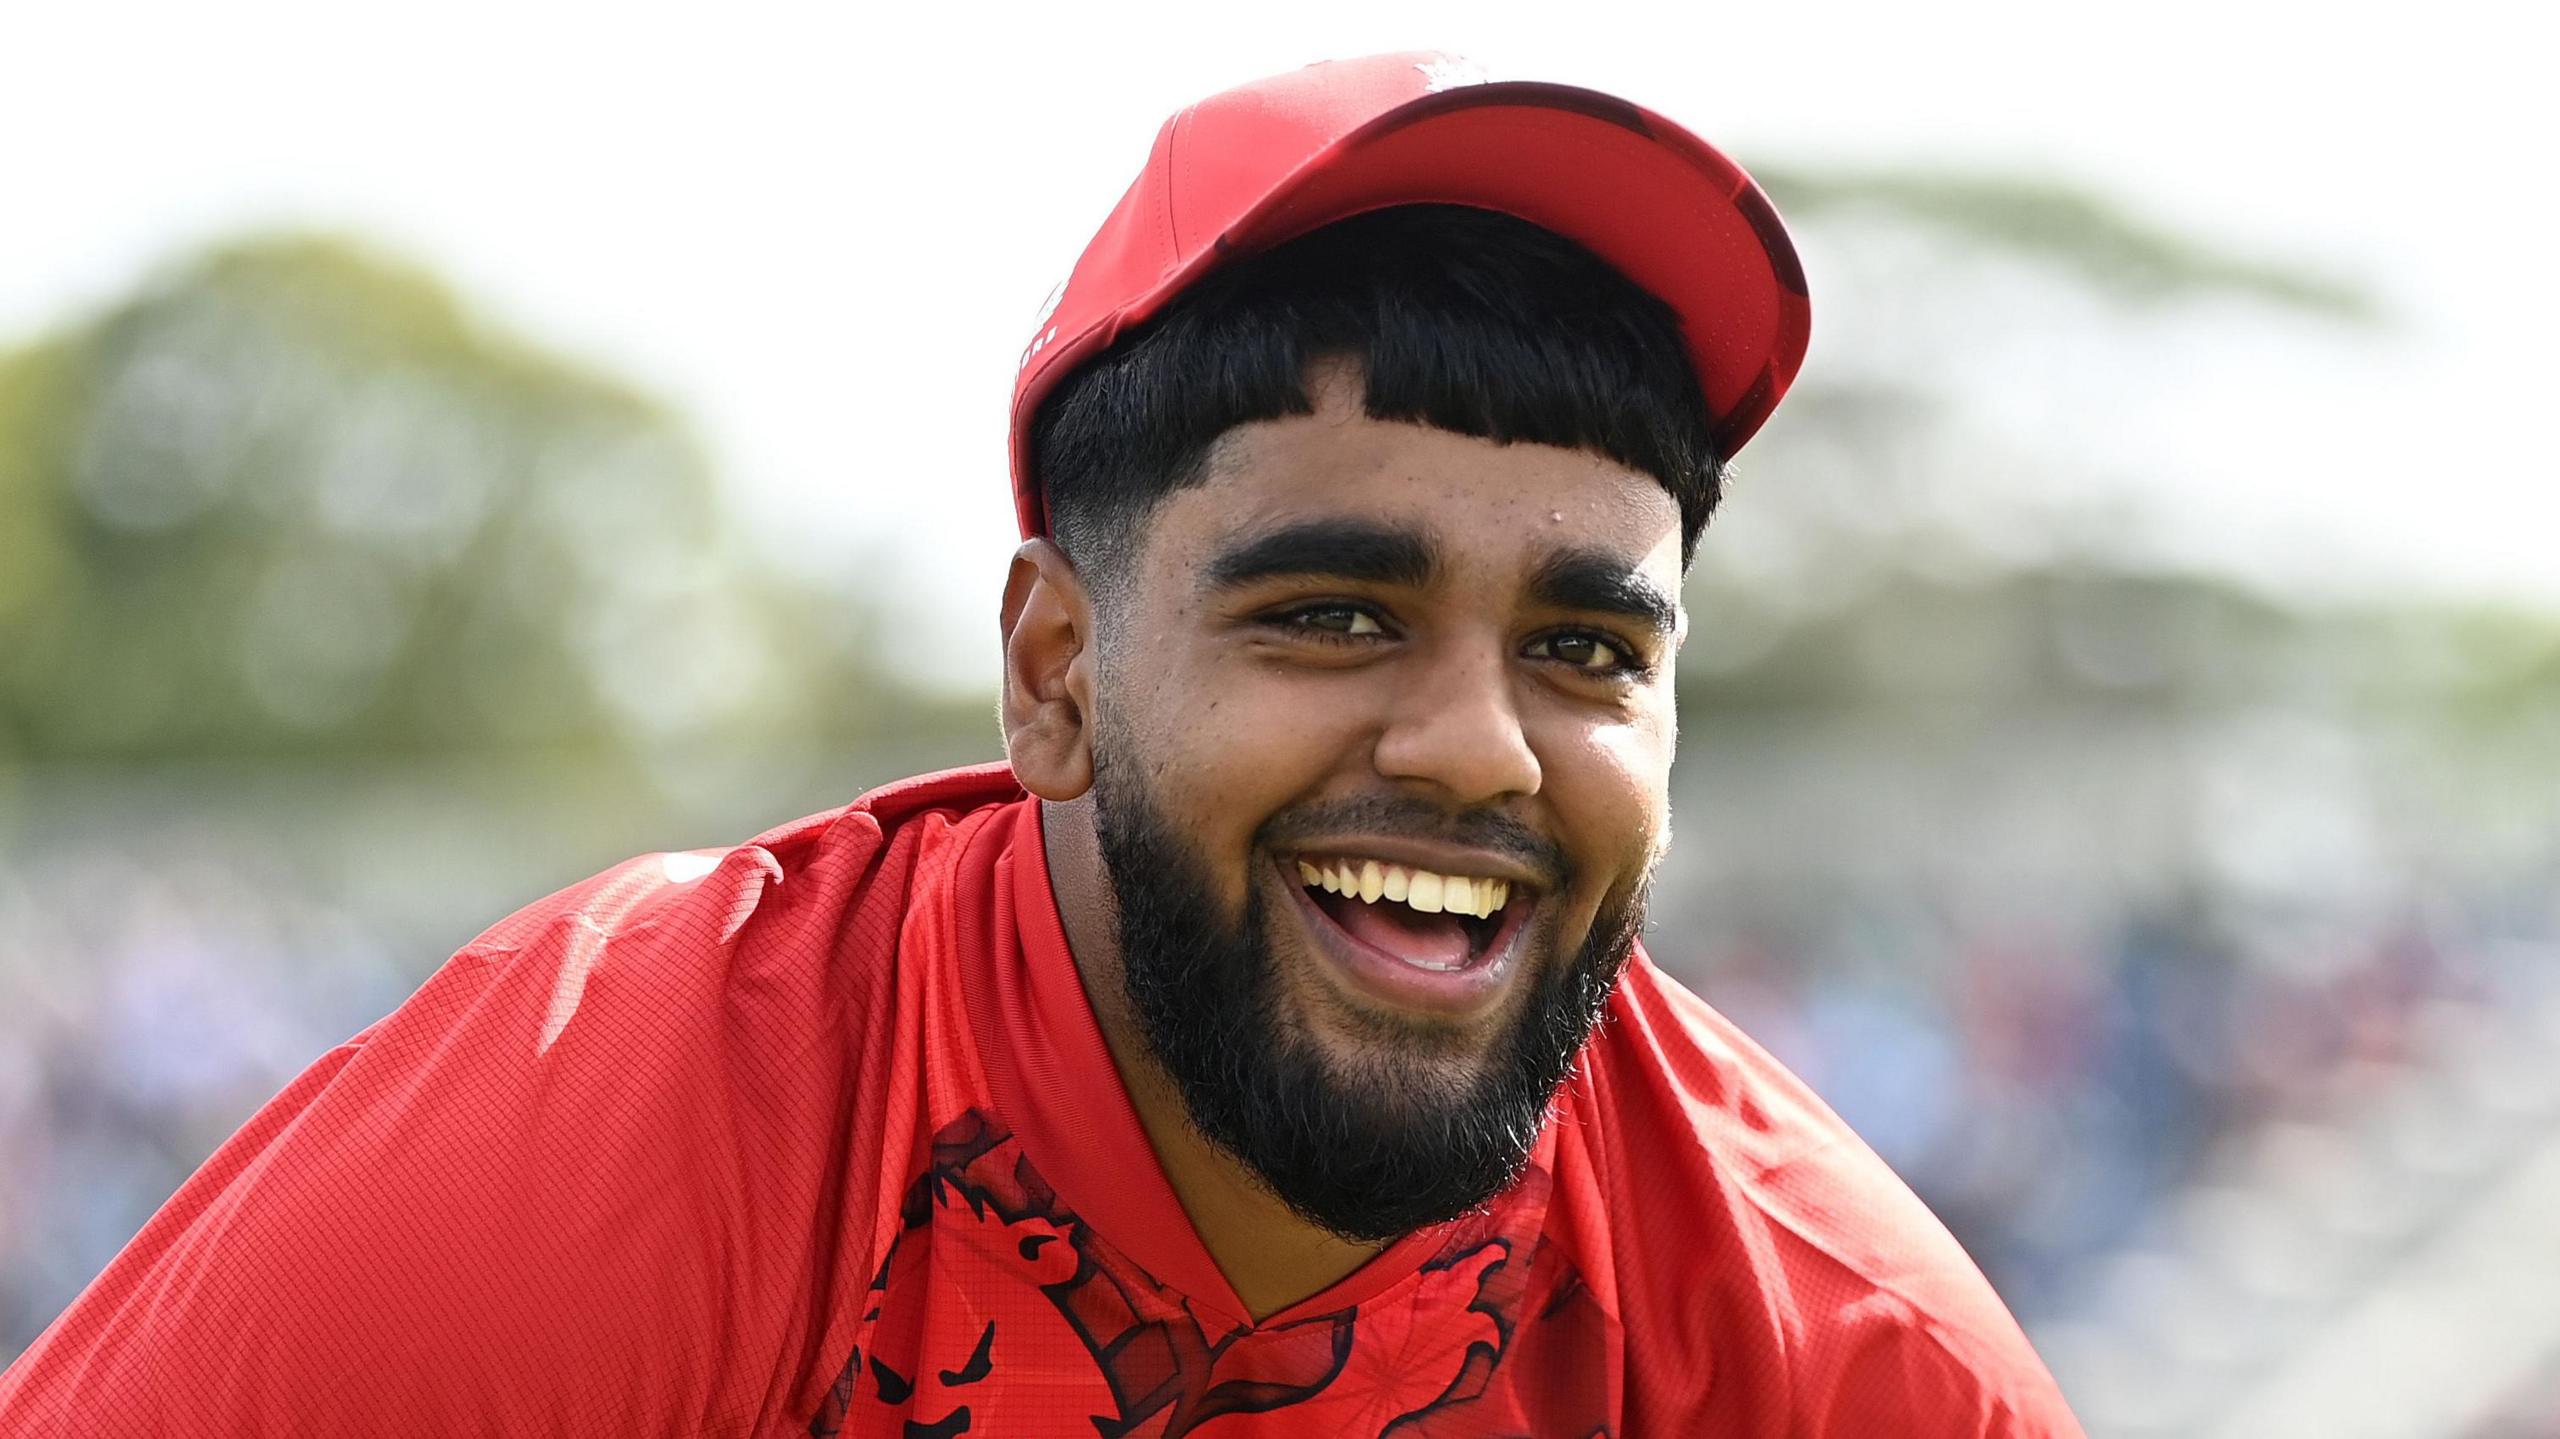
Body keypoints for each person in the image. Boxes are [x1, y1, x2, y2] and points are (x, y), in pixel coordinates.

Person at [0, 52, 2084, 1436]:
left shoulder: (1841, 1357)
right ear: (1055, 677)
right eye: (1333, 613)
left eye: (1580, 647)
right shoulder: (611, 1127)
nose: (1474, 749)